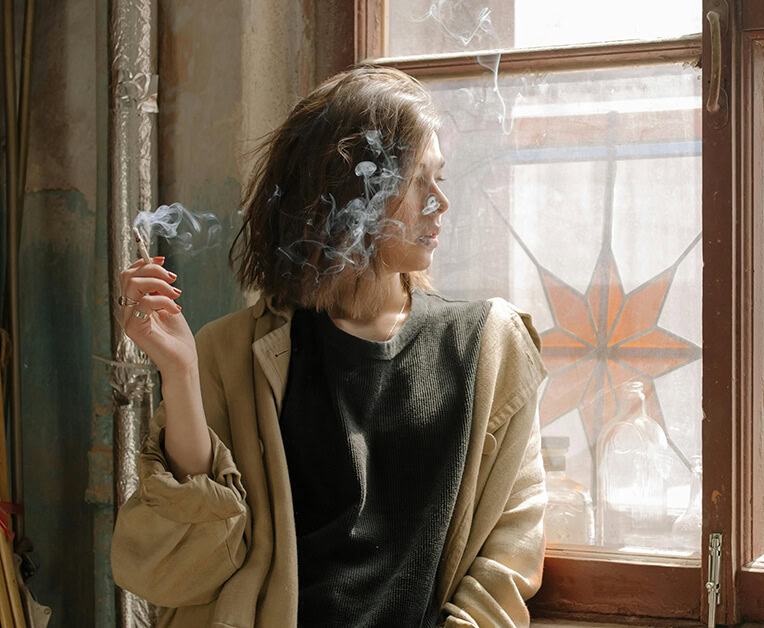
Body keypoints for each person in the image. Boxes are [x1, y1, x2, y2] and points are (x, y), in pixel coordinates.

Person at [110, 66, 549, 627]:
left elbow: (507, 560)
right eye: (417, 181)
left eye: (439, 178)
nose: (440, 203)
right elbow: (184, 569)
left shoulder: (490, 348)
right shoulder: (235, 352)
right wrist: (179, 373)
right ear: (349, 194)